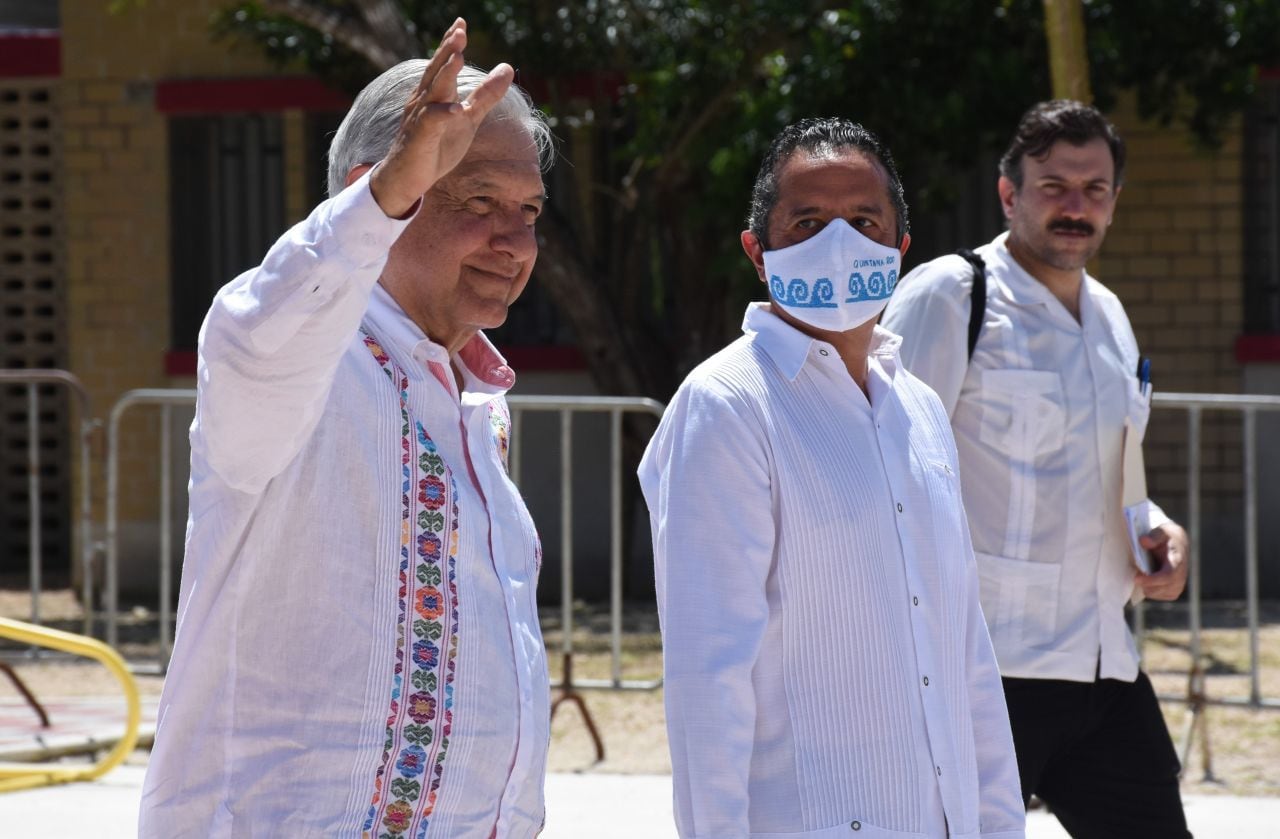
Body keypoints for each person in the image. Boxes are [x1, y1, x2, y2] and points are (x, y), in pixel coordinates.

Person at [140, 20, 554, 837]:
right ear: (377, 190)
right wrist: (380, 204)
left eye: (530, 211)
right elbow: (261, 328)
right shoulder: (301, 356)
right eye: (477, 200)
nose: (515, 243)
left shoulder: (475, 398)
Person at [638, 118, 1025, 839]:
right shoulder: (727, 406)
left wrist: (998, 822)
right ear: (758, 251)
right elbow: (708, 677)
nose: (838, 244)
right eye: (808, 222)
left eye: (864, 220)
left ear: (900, 247)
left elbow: (964, 647)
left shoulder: (918, 406)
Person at [882, 100, 1192, 838]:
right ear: (1008, 193)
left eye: (1095, 189)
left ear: (1115, 201)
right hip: (983, 668)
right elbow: (885, 467)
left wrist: (1155, 529)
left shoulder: (1112, 317)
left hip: (1101, 664)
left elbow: (1114, 474)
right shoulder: (953, 296)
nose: (1075, 206)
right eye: (1053, 186)